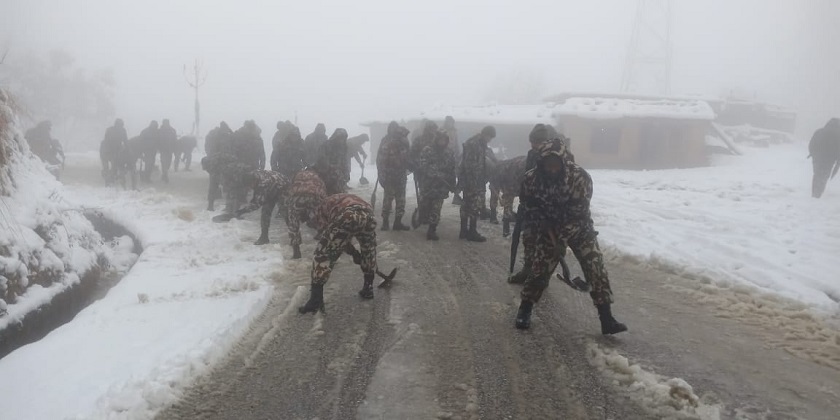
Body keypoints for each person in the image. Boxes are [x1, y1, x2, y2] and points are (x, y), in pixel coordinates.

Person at [513, 126, 627, 335]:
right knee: (539, 269)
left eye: (556, 164)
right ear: (542, 162)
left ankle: (606, 318)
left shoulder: (580, 178)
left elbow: (579, 213)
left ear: (564, 162)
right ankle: (525, 309)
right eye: (548, 164)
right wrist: (544, 227)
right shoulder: (532, 178)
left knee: (596, 267)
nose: (552, 169)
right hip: (549, 227)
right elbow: (528, 205)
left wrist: (561, 241)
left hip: (579, 228)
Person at [510, 125, 574, 284]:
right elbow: (527, 177)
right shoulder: (532, 154)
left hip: (555, 209)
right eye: (531, 142)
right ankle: (527, 270)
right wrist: (525, 201)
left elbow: (568, 184)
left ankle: (542, 277)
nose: (533, 146)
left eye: (536, 143)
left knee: (549, 245)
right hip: (533, 206)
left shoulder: (564, 157)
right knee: (529, 239)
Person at [298, 193, 380, 314]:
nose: (310, 225)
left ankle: (315, 300)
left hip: (347, 215)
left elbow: (336, 243)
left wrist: (353, 253)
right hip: (368, 215)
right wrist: (356, 254)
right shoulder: (332, 200)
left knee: (323, 254)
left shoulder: (318, 212)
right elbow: (343, 239)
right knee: (369, 251)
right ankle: (368, 288)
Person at [232, 169, 292, 245]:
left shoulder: (263, 183)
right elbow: (256, 197)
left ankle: (294, 237)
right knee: (265, 211)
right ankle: (264, 237)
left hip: (284, 188)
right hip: (272, 188)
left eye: (250, 185)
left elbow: (257, 204)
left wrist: (242, 211)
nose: (250, 187)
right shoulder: (254, 176)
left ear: (253, 181)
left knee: (285, 212)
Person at [418, 130, 458, 240]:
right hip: (428, 185)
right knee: (425, 205)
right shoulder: (427, 150)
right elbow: (423, 165)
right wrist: (435, 174)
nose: (442, 142)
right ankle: (421, 215)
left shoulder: (449, 153)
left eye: (444, 140)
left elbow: (452, 169)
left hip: (441, 187)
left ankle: (432, 230)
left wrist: (452, 183)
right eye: (440, 140)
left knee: (436, 208)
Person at [459, 126, 496, 242]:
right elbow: (470, 164)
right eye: (490, 137)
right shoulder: (475, 144)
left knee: (466, 205)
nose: (490, 140)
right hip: (473, 181)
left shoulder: (477, 142)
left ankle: (464, 231)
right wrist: (474, 182)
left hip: (471, 180)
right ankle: (472, 232)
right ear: (485, 134)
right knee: (474, 206)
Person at [376, 122, 411, 231]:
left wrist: (410, 166)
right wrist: (381, 174)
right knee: (388, 199)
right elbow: (380, 159)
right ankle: (385, 222)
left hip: (401, 175)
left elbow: (408, 157)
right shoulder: (386, 141)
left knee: (401, 200)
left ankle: (397, 222)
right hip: (389, 176)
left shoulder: (404, 142)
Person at [287, 169, 327, 259]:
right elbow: (323, 191)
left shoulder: (297, 174)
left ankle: (296, 251)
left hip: (297, 196)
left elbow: (290, 187)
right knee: (321, 220)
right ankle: (324, 250)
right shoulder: (317, 176)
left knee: (293, 223)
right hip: (315, 195)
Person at [488, 155, 527, 236]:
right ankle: (504, 227)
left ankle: (508, 219)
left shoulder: (524, 165)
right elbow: (494, 187)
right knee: (505, 201)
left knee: (509, 200)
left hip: (513, 177)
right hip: (507, 178)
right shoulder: (499, 170)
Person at [203, 122, 234, 210]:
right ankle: (228, 206)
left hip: (214, 164)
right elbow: (231, 149)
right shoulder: (227, 136)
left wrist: (211, 157)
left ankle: (210, 205)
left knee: (213, 184)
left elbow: (208, 149)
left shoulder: (213, 136)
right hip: (224, 164)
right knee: (228, 184)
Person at [809, 118, 840, 198]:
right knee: (824, 176)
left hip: (817, 158)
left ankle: (814, 193)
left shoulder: (819, 131)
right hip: (829, 160)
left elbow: (811, 144)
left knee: (817, 174)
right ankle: (819, 192)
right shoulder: (838, 134)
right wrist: (837, 161)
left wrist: (813, 154)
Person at [314, 128, 350, 195]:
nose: (341, 140)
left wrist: (346, 173)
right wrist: (331, 167)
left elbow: (345, 161)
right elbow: (321, 159)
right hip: (325, 174)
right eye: (339, 138)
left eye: (343, 138)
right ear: (335, 137)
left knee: (339, 194)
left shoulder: (344, 147)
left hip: (338, 176)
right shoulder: (326, 145)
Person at [100, 119, 128, 185]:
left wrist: (126, 149)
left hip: (114, 150)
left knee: (114, 165)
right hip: (106, 150)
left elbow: (125, 141)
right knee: (106, 166)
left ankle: (111, 178)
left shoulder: (122, 131)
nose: (120, 127)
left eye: (121, 125)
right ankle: (107, 179)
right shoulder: (110, 130)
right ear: (116, 124)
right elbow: (107, 140)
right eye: (119, 125)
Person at [158, 119, 177, 183]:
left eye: (167, 123)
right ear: (163, 123)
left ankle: (164, 174)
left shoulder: (172, 131)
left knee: (168, 163)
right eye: (164, 123)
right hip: (163, 150)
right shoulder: (159, 131)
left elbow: (175, 140)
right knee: (164, 163)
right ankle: (165, 176)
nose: (165, 124)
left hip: (170, 150)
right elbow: (157, 140)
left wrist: (174, 149)